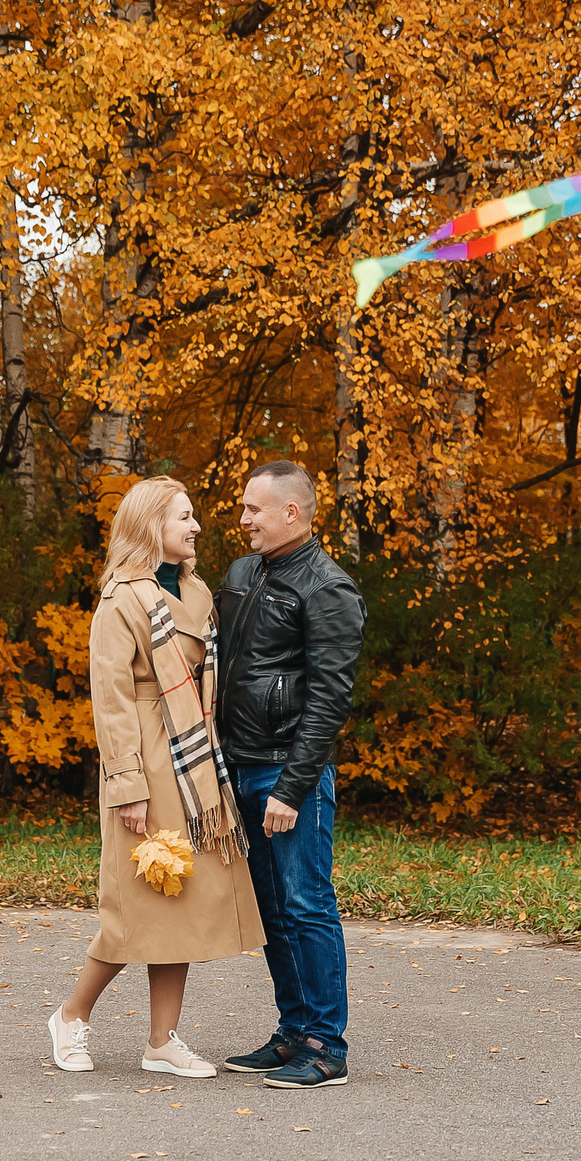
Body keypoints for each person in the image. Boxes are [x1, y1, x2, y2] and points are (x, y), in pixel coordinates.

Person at [47, 476, 264, 1079]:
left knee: (179, 900)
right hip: (144, 753)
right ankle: (71, 1016)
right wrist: (127, 788)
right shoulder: (120, 601)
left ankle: (161, 1041)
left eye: (193, 517)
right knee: (135, 904)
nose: (196, 527)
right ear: (151, 529)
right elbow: (111, 702)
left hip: (194, 756)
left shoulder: (197, 592)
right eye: (184, 517)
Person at [212, 459, 366, 1089]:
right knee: (273, 909)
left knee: (307, 905)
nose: (243, 518)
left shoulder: (329, 587)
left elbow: (330, 699)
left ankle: (327, 1048)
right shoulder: (243, 573)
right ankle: (292, 1032)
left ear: (291, 513)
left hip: (287, 775)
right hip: (239, 766)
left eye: (253, 508)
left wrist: (292, 788)